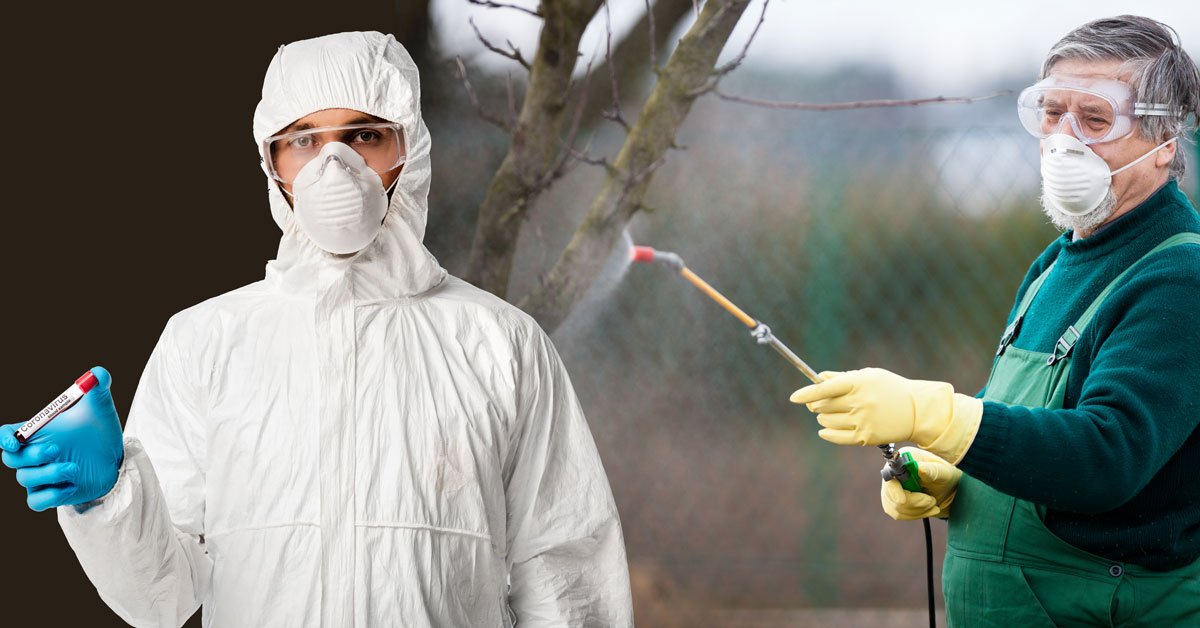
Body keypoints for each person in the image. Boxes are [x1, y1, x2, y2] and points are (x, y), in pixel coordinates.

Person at [0, 31, 633, 628]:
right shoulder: (207, 342)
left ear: (408, 150)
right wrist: (108, 501)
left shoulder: (501, 345)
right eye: (302, 140)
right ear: (271, 161)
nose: (334, 166)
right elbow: (162, 600)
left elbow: (567, 571)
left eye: (363, 135)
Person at [789, 15, 1200, 628]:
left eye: (1094, 120)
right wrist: (953, 470)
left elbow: (1106, 456)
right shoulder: (1056, 262)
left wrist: (936, 416)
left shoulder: (1179, 277)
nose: (1064, 140)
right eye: (1051, 113)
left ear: (1166, 140)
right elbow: (1016, 411)